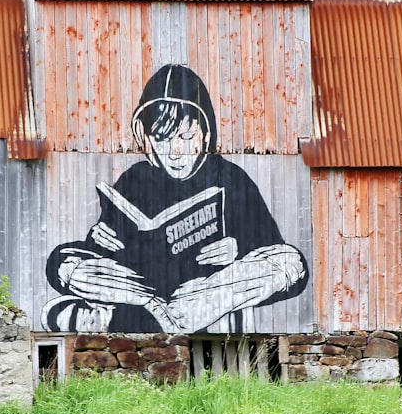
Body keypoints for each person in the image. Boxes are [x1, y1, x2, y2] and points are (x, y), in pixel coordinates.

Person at [44, 64, 308, 333]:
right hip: (143, 287)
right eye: (163, 140)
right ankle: (160, 315)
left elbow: (272, 248)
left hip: (205, 291)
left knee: (290, 263)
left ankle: (115, 318)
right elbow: (111, 258)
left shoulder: (230, 177)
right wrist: (100, 240)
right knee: (63, 262)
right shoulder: (134, 179)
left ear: (205, 134)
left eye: (186, 136)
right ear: (146, 140)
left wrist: (237, 249)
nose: (175, 152)